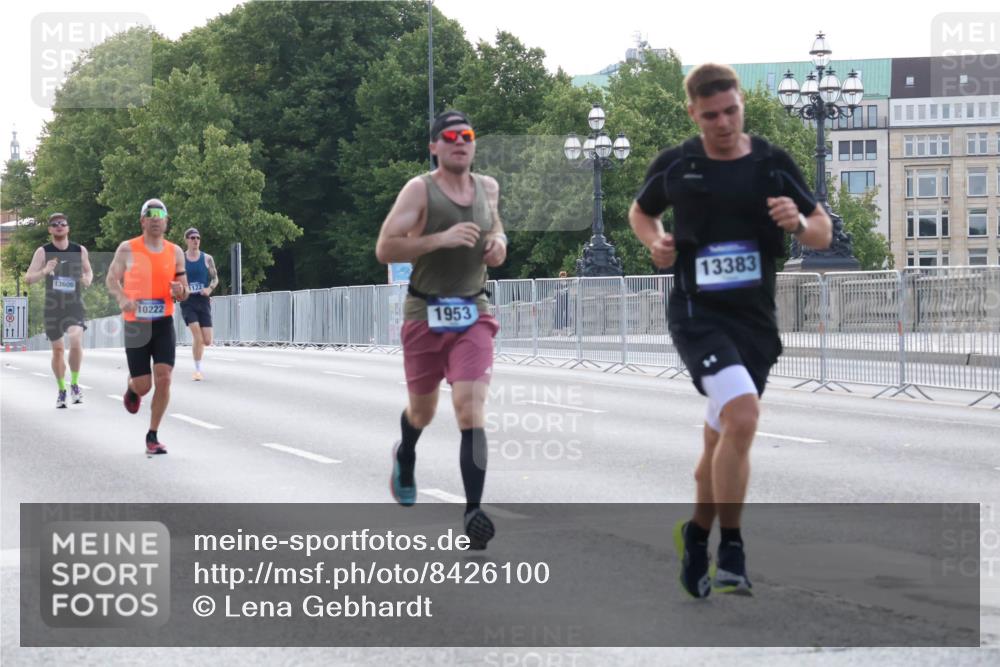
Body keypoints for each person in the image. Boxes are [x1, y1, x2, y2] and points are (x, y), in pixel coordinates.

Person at [628, 63, 832, 598]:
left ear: (742, 104)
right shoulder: (679, 164)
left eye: (732, 111)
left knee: (720, 440)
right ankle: (733, 550)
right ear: (694, 113)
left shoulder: (770, 163)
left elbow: (822, 231)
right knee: (743, 414)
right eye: (711, 114)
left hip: (756, 322)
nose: (723, 123)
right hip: (698, 315)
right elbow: (641, 212)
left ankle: (696, 536)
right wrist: (656, 242)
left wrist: (799, 223)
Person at [375, 110, 507, 550]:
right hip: (424, 312)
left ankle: (473, 511)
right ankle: (406, 452)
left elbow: (498, 233)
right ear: (434, 146)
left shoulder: (488, 188)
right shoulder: (420, 190)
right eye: (449, 136)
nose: (459, 141)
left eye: (466, 135)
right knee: (424, 412)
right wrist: (438, 239)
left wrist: (497, 246)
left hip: (473, 310)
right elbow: (385, 247)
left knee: (470, 408)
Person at [105, 198, 189, 456]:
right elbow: (111, 279)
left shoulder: (175, 252)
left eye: (160, 214)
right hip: (136, 325)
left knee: (164, 378)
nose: (155, 218)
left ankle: (152, 435)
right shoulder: (128, 249)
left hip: (163, 321)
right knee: (145, 386)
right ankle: (133, 388)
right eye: (150, 214)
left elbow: (183, 291)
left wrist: (180, 291)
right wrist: (122, 298)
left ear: (166, 221)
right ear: (142, 220)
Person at [23, 213, 93, 408]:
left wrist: (87, 279)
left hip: (74, 305)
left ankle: (75, 384)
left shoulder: (79, 250)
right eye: (55, 225)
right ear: (50, 230)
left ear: (68, 228)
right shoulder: (43, 252)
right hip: (53, 306)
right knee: (58, 350)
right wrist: (45, 271)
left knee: (75, 340)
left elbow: (88, 271)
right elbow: (28, 278)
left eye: (63, 223)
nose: (59, 226)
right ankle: (62, 389)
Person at [180, 227, 218, 381]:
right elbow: (172, 278)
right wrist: (180, 290)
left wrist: (209, 289)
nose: (196, 240)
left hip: (203, 300)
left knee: (207, 340)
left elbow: (215, 278)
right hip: (188, 301)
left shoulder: (207, 258)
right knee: (197, 336)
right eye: (192, 238)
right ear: (187, 240)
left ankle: (198, 365)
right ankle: (197, 370)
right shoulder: (181, 259)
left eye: (198, 238)